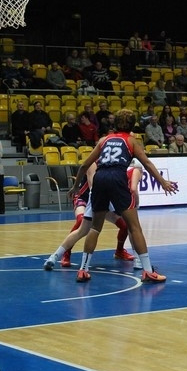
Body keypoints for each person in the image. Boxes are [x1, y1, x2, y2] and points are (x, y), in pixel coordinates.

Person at [66, 109, 178, 283]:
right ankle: (148, 271)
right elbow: (146, 163)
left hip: (100, 178)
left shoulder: (104, 140)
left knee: (95, 228)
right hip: (117, 178)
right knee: (134, 227)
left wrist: (75, 187)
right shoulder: (131, 141)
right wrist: (162, 181)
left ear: (114, 124)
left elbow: (85, 165)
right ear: (133, 125)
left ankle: (83, 270)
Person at [43, 161, 137, 270]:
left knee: (125, 225)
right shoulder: (93, 163)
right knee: (81, 224)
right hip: (85, 197)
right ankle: (63, 254)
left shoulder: (114, 165)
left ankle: (120, 252)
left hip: (105, 198)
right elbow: (93, 186)